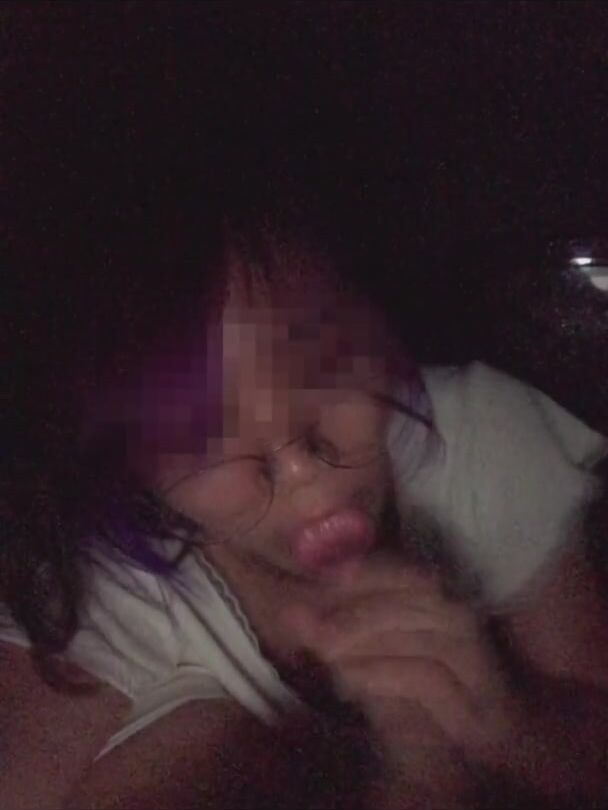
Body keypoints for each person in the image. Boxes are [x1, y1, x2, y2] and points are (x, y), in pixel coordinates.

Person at [2, 180, 608, 809]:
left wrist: (500, 723)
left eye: (323, 367)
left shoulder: (480, 438)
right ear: (131, 466)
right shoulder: (104, 589)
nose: (297, 466)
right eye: (201, 430)